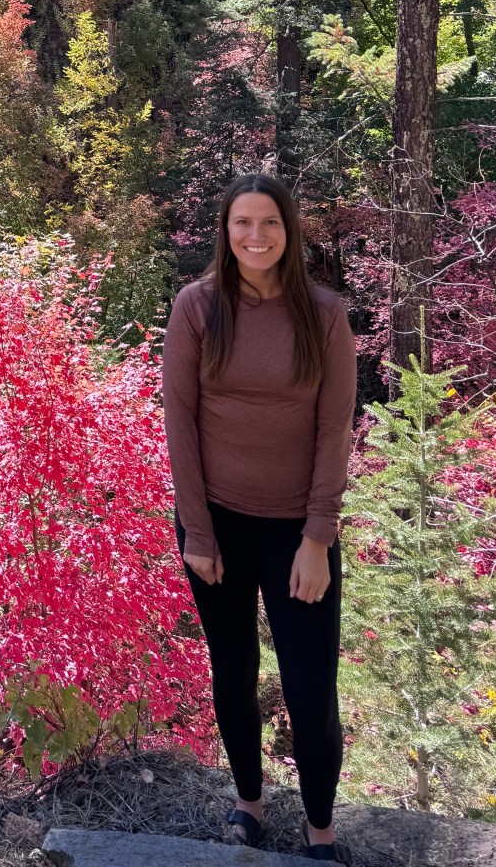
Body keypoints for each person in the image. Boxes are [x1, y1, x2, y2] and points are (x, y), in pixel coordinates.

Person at [163, 173, 357, 862]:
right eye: (242, 222)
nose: (256, 235)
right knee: (233, 671)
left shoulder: (324, 314)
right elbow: (180, 421)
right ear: (226, 231)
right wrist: (198, 531)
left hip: (297, 532)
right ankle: (248, 802)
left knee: (310, 687)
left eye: (269, 222)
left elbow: (335, 429)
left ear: (288, 231)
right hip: (215, 525)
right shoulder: (197, 307)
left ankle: (320, 828)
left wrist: (318, 536)